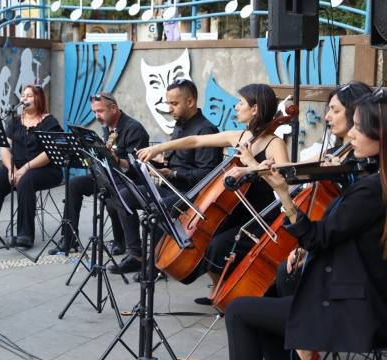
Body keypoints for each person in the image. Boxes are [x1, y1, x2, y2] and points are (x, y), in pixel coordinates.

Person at [225, 89, 387, 359]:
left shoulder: (371, 189)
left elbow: (315, 238)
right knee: (281, 284)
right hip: (360, 294)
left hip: (354, 307)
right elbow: (350, 236)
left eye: (360, 127)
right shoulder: (373, 180)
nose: (353, 135)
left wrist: (285, 195)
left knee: (238, 312)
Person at [138, 83, 289, 304]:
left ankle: (229, 290)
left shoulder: (275, 143)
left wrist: (250, 164)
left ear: (255, 109)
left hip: (259, 213)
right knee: (204, 240)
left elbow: (284, 179)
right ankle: (219, 287)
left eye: (241, 103)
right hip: (235, 208)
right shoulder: (242, 135)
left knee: (218, 245)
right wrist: (159, 148)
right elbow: (196, 140)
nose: (236, 107)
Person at [107, 79, 222, 280]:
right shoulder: (180, 125)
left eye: (174, 104)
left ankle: (158, 264)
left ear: (190, 101)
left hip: (191, 194)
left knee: (156, 210)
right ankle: (137, 255)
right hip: (170, 185)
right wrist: (160, 165)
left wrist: (173, 174)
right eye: (168, 103)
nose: (169, 109)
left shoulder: (206, 130)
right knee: (124, 195)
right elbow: (176, 161)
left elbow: (207, 176)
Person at [275, 81, 372, 297]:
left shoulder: (369, 171)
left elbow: (351, 212)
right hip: (332, 233)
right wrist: (251, 169)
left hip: (347, 244)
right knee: (285, 272)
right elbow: (295, 168)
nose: (327, 117)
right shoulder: (336, 153)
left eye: (335, 110)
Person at [48, 91, 150, 256]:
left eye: (100, 111)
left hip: (129, 179)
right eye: (94, 112)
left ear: (114, 108)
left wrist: (115, 159)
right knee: (74, 185)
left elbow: (137, 166)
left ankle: (122, 240)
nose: (97, 116)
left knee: (112, 193)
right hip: (108, 175)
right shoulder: (106, 127)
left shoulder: (133, 129)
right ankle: (68, 238)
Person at [0, 85, 64, 248]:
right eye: (23, 95)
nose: (24, 98)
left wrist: (24, 169)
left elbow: (49, 153)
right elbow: (5, 148)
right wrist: (12, 169)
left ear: (39, 99)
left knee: (25, 182)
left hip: (46, 169)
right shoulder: (15, 121)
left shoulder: (49, 121)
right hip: (16, 166)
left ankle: (25, 234)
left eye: (29, 95)